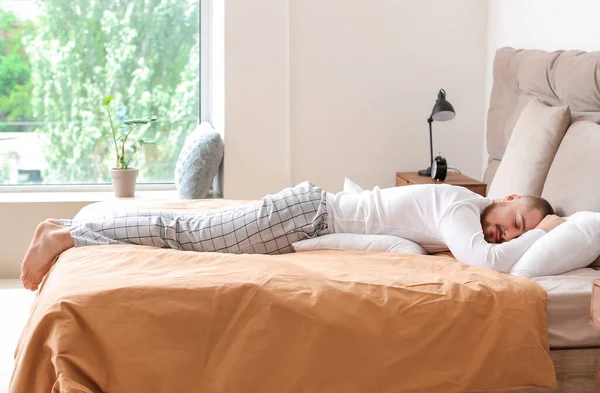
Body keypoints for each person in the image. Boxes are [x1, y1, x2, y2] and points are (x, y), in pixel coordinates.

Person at [20, 181, 565, 291]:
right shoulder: (459, 207)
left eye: (512, 234)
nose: (501, 234)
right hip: (305, 217)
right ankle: (70, 234)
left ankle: (73, 233)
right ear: (509, 197)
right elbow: (484, 263)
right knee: (187, 233)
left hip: (307, 217)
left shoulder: (462, 212)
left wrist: (533, 230)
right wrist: (543, 235)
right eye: (512, 223)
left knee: (187, 235)